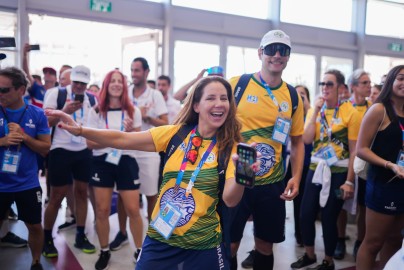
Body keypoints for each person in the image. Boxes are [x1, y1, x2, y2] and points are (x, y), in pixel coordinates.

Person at [46, 76, 258, 270]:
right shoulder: (175, 134)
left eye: (224, 98)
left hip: (204, 243)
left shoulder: (232, 148)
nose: (219, 103)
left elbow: (230, 200)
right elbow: (122, 139)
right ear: (196, 105)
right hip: (162, 237)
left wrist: (242, 177)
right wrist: (81, 130)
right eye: (211, 98)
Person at [229, 29, 305, 270]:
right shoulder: (237, 85)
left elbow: (297, 141)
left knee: (264, 245)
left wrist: (296, 176)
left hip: (272, 182)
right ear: (261, 53)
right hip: (237, 176)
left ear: (288, 56)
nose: (278, 55)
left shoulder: (292, 95)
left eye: (284, 51)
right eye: (272, 49)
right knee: (229, 244)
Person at [291, 69, 360, 270]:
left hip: (339, 171)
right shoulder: (316, 110)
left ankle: (328, 261)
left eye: (329, 84)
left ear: (340, 88)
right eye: (322, 84)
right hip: (315, 168)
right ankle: (310, 255)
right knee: (305, 213)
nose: (325, 88)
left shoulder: (351, 112)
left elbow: (355, 150)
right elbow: (306, 139)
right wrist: (314, 114)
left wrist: (349, 181)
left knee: (330, 217)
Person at [86, 70, 144, 270]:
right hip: (102, 162)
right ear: (106, 85)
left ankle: (140, 251)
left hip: (126, 160)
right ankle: (104, 251)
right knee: (101, 210)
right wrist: (116, 138)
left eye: (120, 81)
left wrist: (127, 135)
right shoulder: (95, 111)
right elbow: (90, 143)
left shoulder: (133, 111)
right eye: (113, 81)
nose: (117, 84)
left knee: (133, 209)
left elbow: (138, 141)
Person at [109, 57, 168, 251]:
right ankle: (122, 233)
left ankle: (152, 238)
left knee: (151, 195)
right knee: (124, 195)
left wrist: (146, 116)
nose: (134, 74)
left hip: (149, 151)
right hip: (126, 151)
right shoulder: (124, 94)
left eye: (137, 70)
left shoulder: (155, 95)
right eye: (132, 70)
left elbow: (166, 124)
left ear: (146, 72)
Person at [42, 65, 97, 258]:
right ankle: (47, 238)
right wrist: (64, 110)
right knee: (56, 195)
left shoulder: (91, 99)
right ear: (70, 80)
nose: (79, 87)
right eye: (76, 82)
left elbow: (93, 126)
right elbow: (45, 123)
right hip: (60, 149)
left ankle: (80, 234)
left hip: (82, 151)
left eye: (83, 83)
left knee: (82, 193)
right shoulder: (55, 93)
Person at [0, 66, 51, 270]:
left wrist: (25, 137)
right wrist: (3, 141)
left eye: (4, 90)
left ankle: (36, 262)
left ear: (21, 90)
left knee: (34, 226)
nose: (0, 94)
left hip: (27, 184)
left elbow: (46, 148)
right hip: (1, 185)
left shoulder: (37, 114)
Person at [356, 65, 404, 270]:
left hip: (402, 184)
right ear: (391, 81)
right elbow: (361, 149)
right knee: (373, 242)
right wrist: (389, 165)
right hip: (383, 183)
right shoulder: (379, 109)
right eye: (401, 78)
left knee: (394, 239)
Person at [334, 69, 371, 261]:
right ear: (354, 86)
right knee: (341, 204)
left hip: (366, 166)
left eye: (369, 83)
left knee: (365, 206)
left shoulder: (373, 107)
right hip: (343, 165)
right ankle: (340, 239)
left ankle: (359, 241)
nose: (369, 86)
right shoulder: (343, 108)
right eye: (364, 83)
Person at [22, 44, 57, 108]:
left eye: (51, 73)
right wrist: (25, 55)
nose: (47, 74)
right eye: (45, 72)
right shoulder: (37, 88)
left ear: (56, 79)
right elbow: (26, 73)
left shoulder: (59, 93)